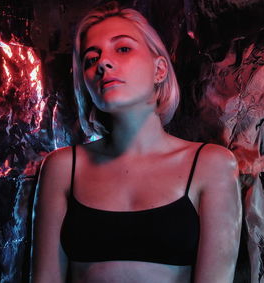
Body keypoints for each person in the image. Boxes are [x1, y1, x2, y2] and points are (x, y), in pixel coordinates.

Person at [32, 2, 241, 282]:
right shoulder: (62, 168)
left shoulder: (211, 165)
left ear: (160, 70)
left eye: (123, 49)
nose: (103, 63)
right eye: (91, 59)